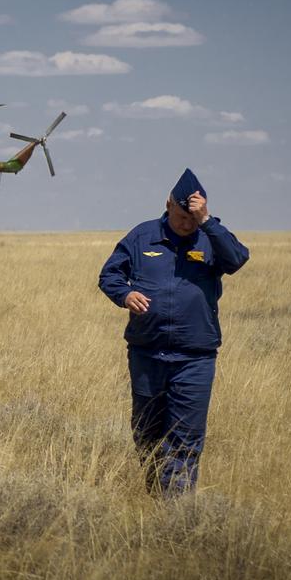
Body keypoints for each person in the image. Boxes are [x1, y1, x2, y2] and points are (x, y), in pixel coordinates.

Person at [98, 169, 249, 496]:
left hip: (195, 358)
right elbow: (109, 276)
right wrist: (124, 295)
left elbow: (237, 259)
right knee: (147, 434)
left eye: (192, 218)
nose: (186, 224)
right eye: (182, 216)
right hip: (147, 354)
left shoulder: (210, 236)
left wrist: (207, 221)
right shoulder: (142, 237)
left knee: (185, 438)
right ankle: (156, 495)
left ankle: (176, 510)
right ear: (168, 205)